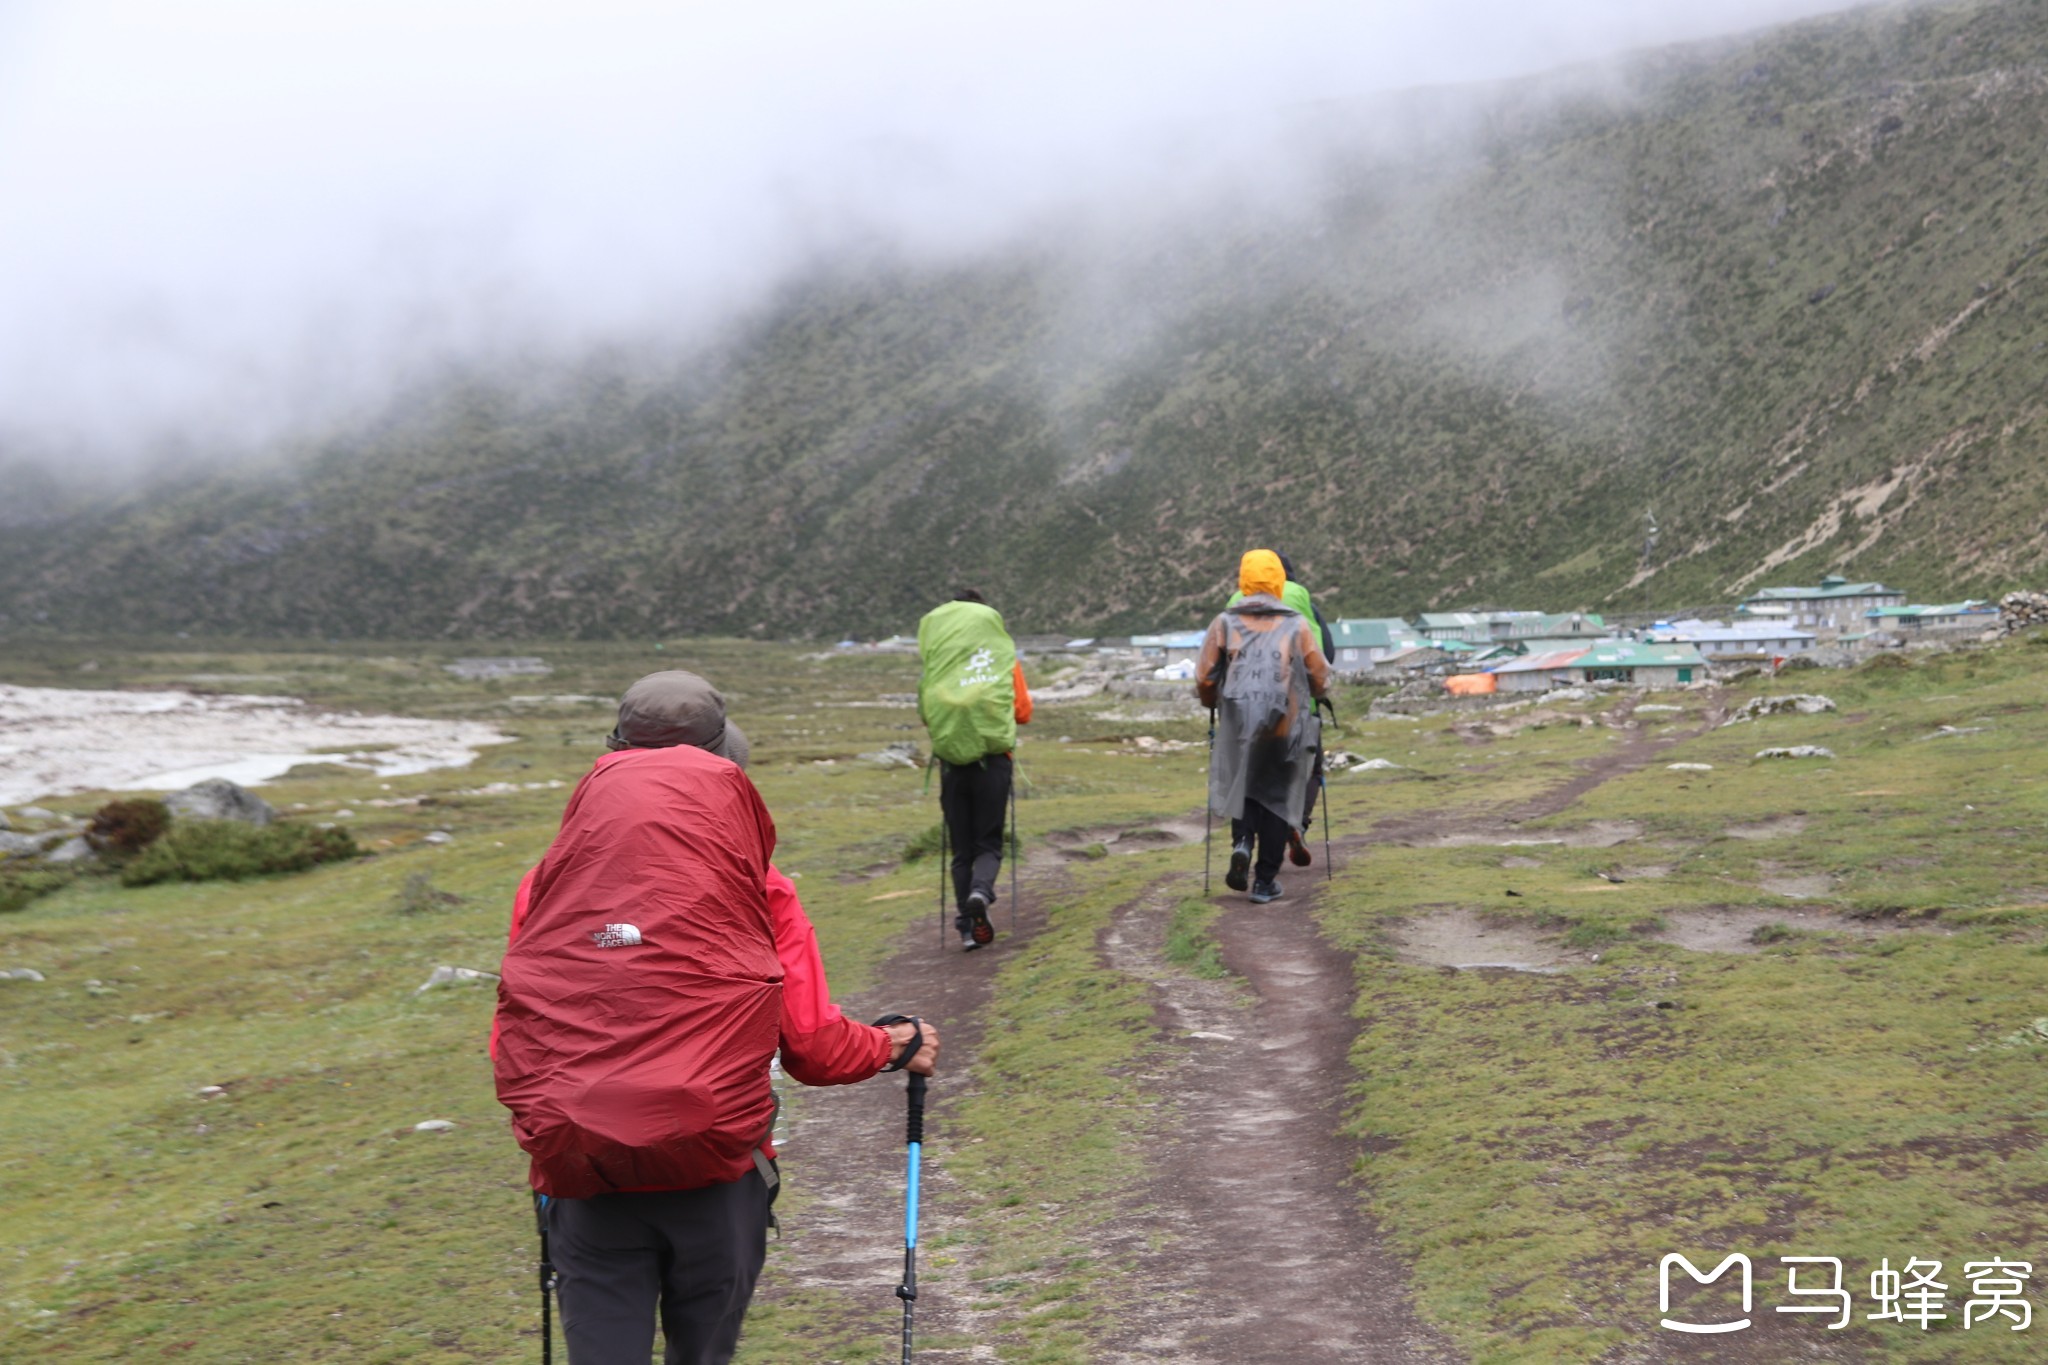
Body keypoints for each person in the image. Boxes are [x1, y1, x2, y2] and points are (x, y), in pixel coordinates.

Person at [493, 670, 940, 1365]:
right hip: (720, 1171)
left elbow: (519, 1029)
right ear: (726, 768)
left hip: (584, 1171)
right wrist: (892, 1044)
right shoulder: (760, 888)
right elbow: (814, 1048)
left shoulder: (547, 882)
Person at [1196, 550, 1331, 904]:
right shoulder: (1296, 623)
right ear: (1277, 581)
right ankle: (1264, 881)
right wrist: (1316, 695)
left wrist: (1210, 700)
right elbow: (1318, 672)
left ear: (1243, 580)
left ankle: (1242, 843)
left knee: (1243, 787)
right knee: (1276, 797)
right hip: (1284, 723)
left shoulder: (1224, 622)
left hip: (1238, 722)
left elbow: (1206, 674)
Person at [915, 590, 1033, 950]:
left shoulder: (940, 664)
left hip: (952, 765)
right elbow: (1023, 711)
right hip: (993, 763)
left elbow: (925, 711)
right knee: (988, 844)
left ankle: (967, 929)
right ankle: (981, 894)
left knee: (961, 849)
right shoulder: (1000, 659)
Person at [1225, 549, 1333, 868]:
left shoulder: (1234, 603)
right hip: (1295, 706)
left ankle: (1244, 841)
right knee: (1307, 768)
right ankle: (1294, 824)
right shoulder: (1300, 599)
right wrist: (1319, 690)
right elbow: (1326, 651)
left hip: (1243, 708)